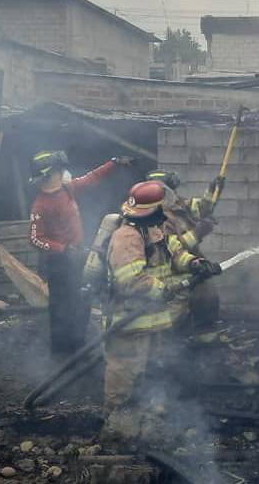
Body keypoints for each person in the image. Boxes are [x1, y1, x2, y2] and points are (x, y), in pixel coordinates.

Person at [102, 180, 221, 443]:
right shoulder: (127, 237)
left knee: (155, 372)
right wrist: (164, 288)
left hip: (155, 320)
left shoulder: (155, 230)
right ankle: (116, 430)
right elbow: (130, 279)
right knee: (124, 375)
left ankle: (150, 425)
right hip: (129, 323)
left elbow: (176, 254)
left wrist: (196, 264)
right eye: (162, 208)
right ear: (154, 210)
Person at [28, 150, 134, 354]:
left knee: (83, 301)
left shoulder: (67, 189)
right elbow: (34, 239)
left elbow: (91, 178)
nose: (64, 173)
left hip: (78, 258)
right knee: (61, 308)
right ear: (48, 176)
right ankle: (61, 352)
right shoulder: (40, 205)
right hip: (59, 264)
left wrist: (113, 162)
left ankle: (78, 346)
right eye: (60, 170)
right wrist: (63, 249)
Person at [147, 169, 225, 327]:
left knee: (207, 296)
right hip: (171, 270)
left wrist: (213, 190)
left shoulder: (178, 205)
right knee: (187, 303)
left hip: (191, 262)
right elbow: (168, 249)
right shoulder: (152, 217)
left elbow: (203, 209)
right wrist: (198, 232)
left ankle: (204, 340)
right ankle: (171, 336)